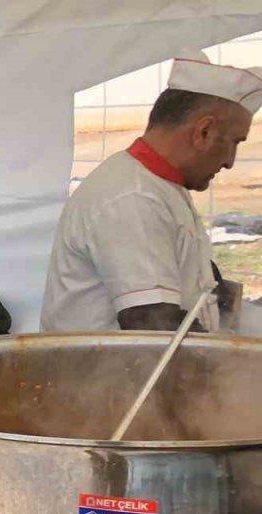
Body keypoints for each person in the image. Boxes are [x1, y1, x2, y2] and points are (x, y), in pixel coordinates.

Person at [41, 54, 257, 332]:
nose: (230, 162)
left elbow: (191, 274)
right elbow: (153, 325)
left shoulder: (158, 185)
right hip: (111, 362)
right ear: (203, 131)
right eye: (234, 143)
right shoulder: (131, 197)